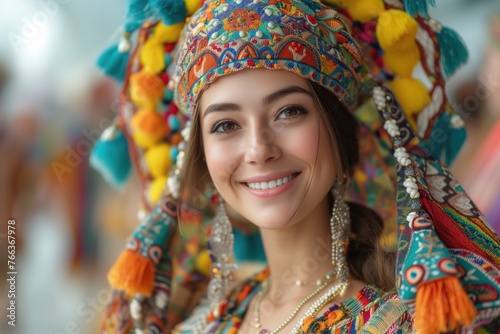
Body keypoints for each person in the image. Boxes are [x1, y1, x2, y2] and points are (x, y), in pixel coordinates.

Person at [96, 1, 500, 333]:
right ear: (201, 154)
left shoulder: (409, 324)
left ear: (340, 134)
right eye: (225, 125)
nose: (258, 149)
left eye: (289, 112)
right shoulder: (203, 323)